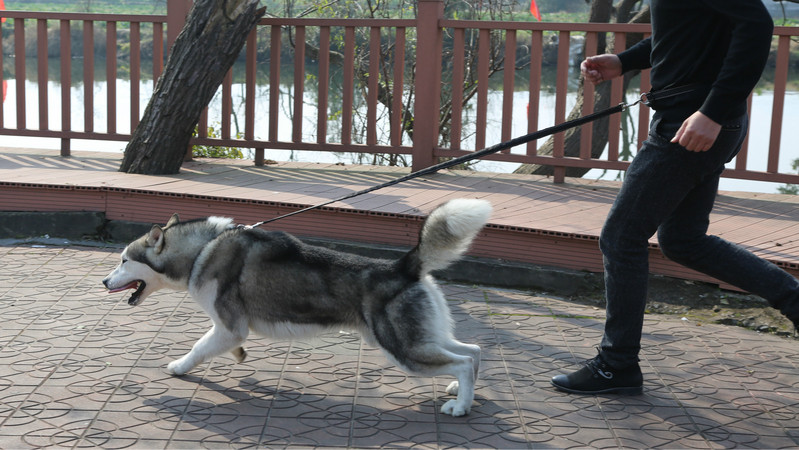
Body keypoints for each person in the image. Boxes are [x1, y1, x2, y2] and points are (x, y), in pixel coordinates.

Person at [551, 0, 799, 395]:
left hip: (691, 123)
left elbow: (757, 26)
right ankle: (793, 298)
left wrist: (713, 112)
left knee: (621, 238)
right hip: (687, 117)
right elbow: (685, 31)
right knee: (683, 240)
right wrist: (624, 59)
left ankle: (617, 365)